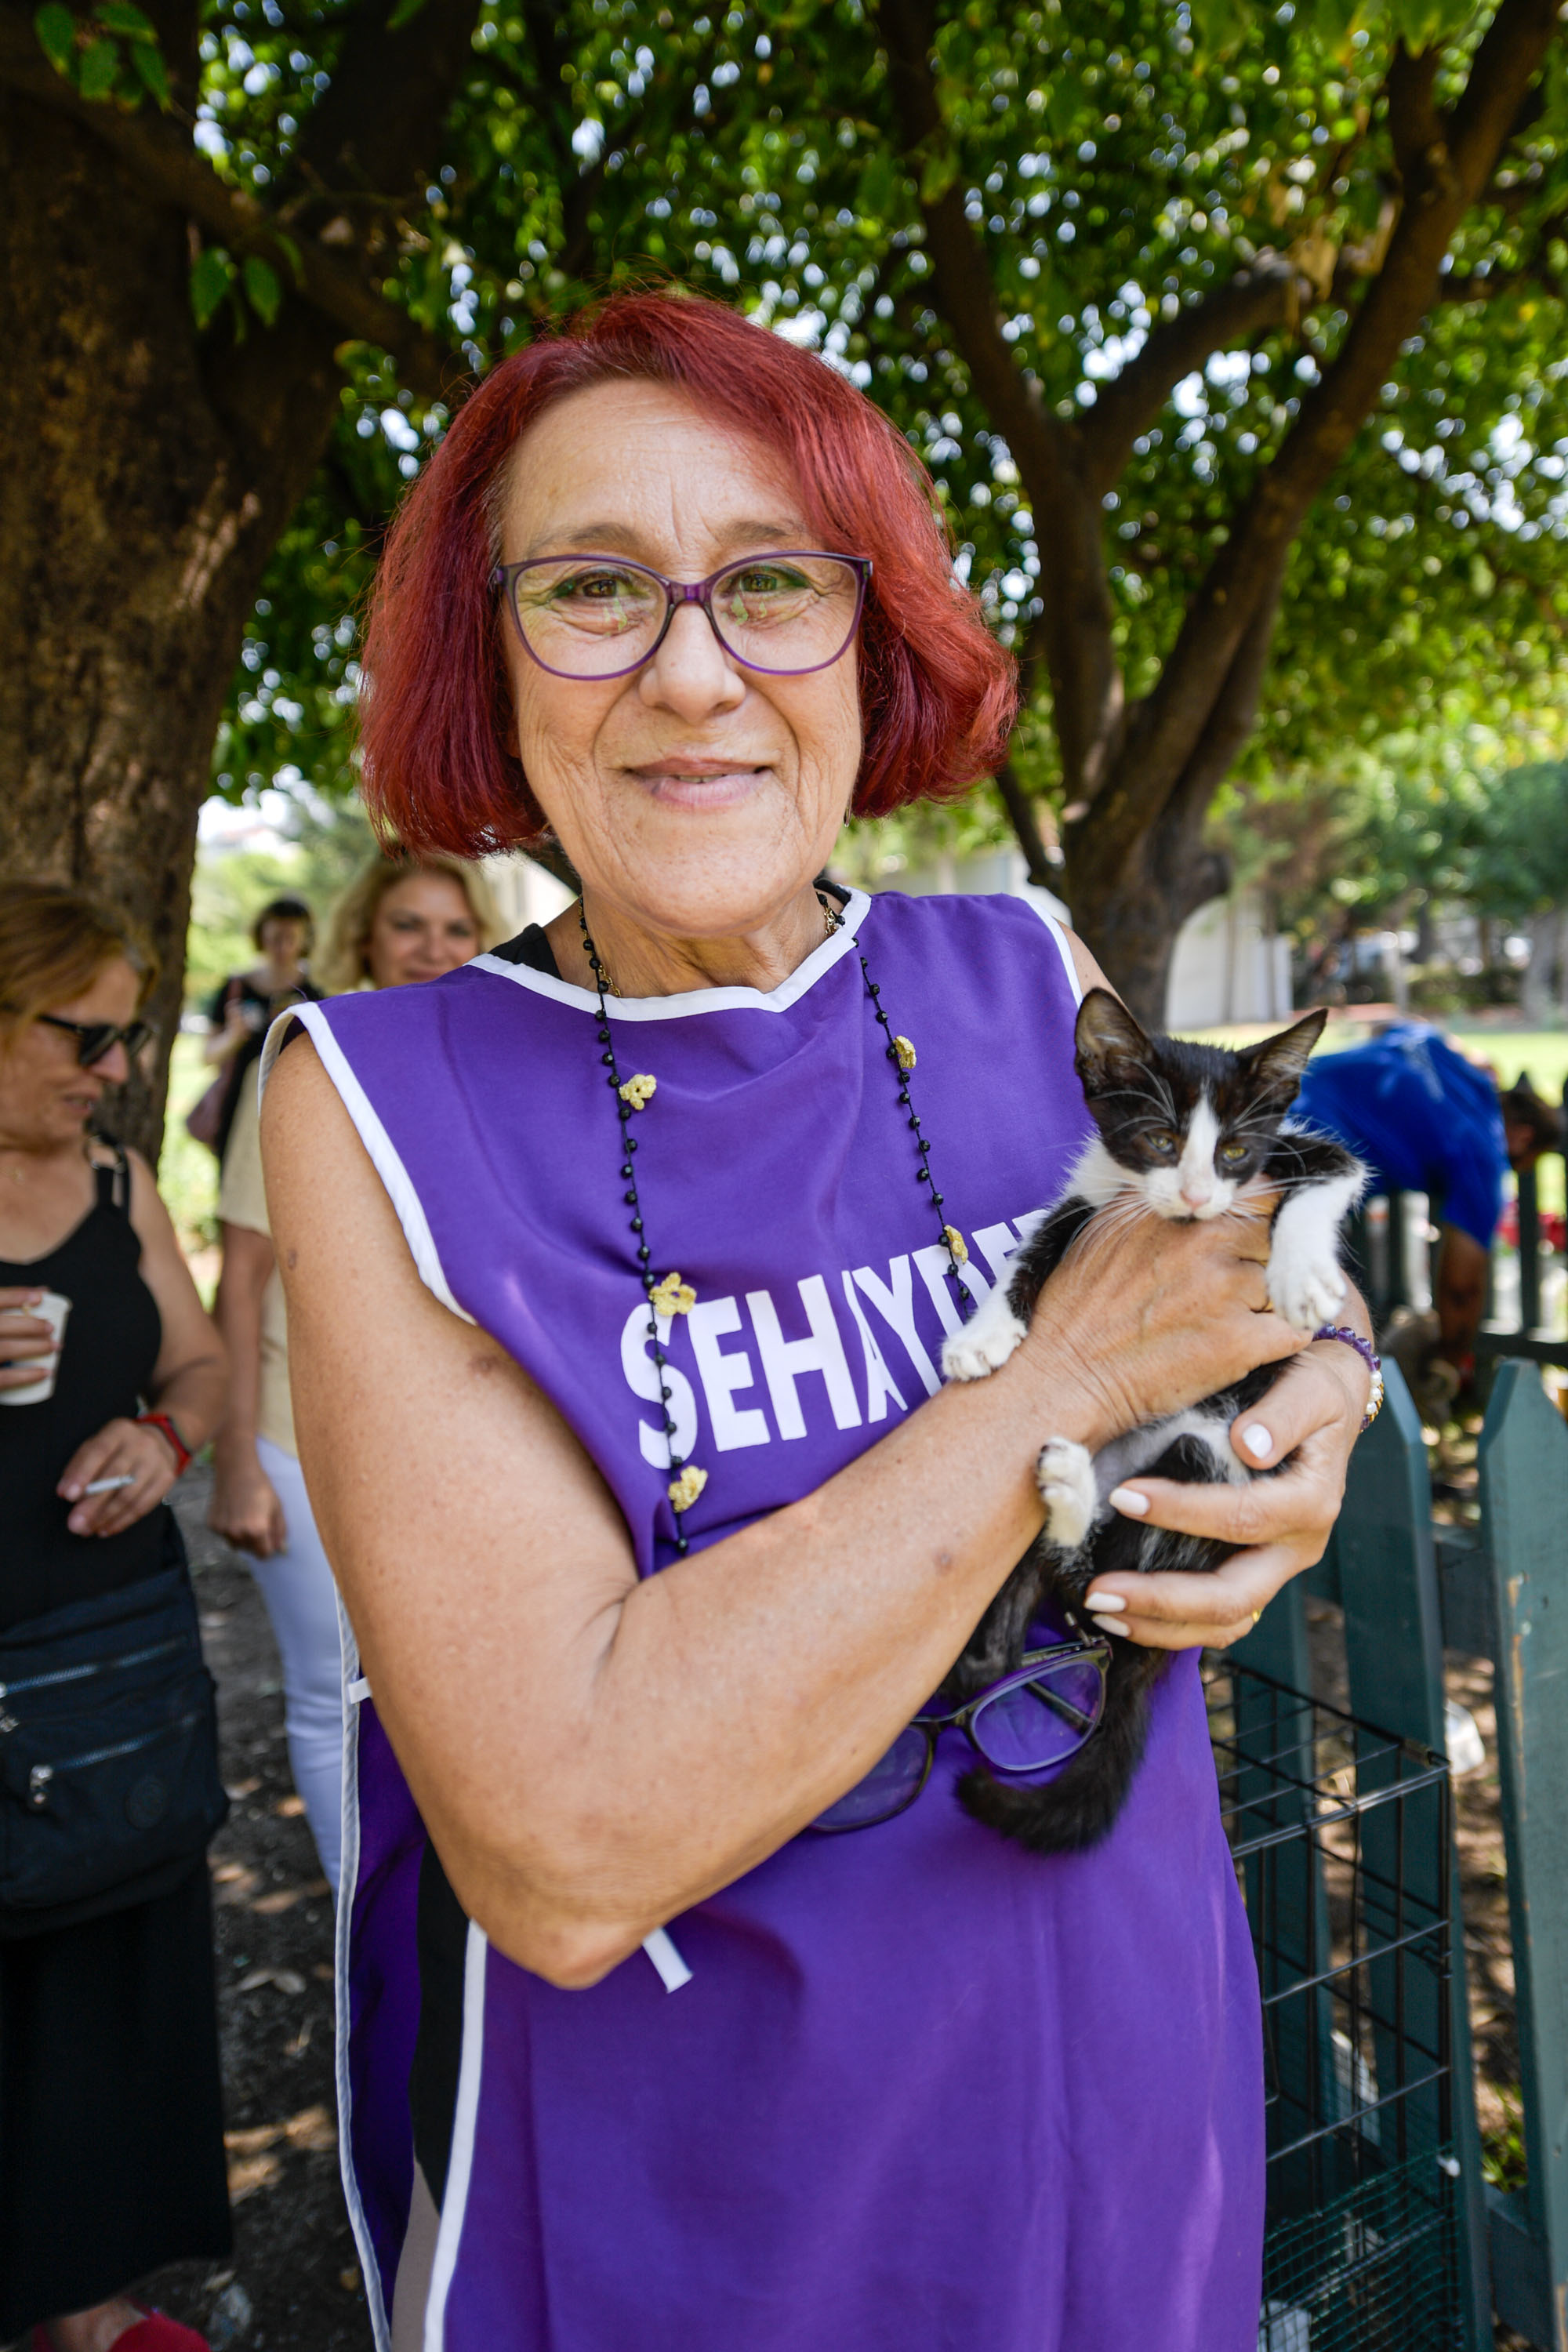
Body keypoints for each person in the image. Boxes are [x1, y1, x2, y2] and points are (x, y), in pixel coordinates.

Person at [261, 292, 1372, 2352]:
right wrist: (1062, 1386)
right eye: (594, 590)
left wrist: (1329, 1395)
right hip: (702, 2224)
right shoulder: (374, 1101)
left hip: (1130, 2121)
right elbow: (570, 1838)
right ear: (486, 670)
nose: (694, 673)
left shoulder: (1023, 962)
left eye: (771, 583)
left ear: (874, 641)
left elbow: (1247, 1277)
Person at [0, 880, 230, 2352]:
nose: (117, 1069)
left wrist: (168, 1441)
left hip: (116, 1662)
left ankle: (94, 2309)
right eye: (84, 1037)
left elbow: (201, 1362)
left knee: (109, 1981)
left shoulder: (121, 1185)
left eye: (128, 1040)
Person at [207, 853, 500, 1894]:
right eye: (409, 926)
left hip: (460, 1442)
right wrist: (236, 1460)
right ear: (366, 938)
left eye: (456, 929)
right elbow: (239, 1281)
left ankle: (457, 1923)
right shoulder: (308, 1065)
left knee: (464, 1687)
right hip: (303, 1435)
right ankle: (359, 1940)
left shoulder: (503, 1065)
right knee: (337, 1695)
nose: (434, 949)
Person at [1294, 1019, 1560, 1379]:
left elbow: (1382, 1027)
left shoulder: (1433, 1044)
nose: (1516, 1171)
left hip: (1268, 1096)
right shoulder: (1484, 1155)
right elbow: (1461, 1288)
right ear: (1523, 1137)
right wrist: (1448, 1361)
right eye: (1525, 1164)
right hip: (1295, 1160)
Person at [195, 896, 318, 1165]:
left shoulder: (315, 994)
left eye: (290, 938)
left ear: (304, 940)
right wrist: (234, 1036)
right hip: (235, 1110)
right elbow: (207, 1056)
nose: (282, 947)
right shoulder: (235, 988)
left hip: (293, 1109)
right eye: (275, 937)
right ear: (261, 936)